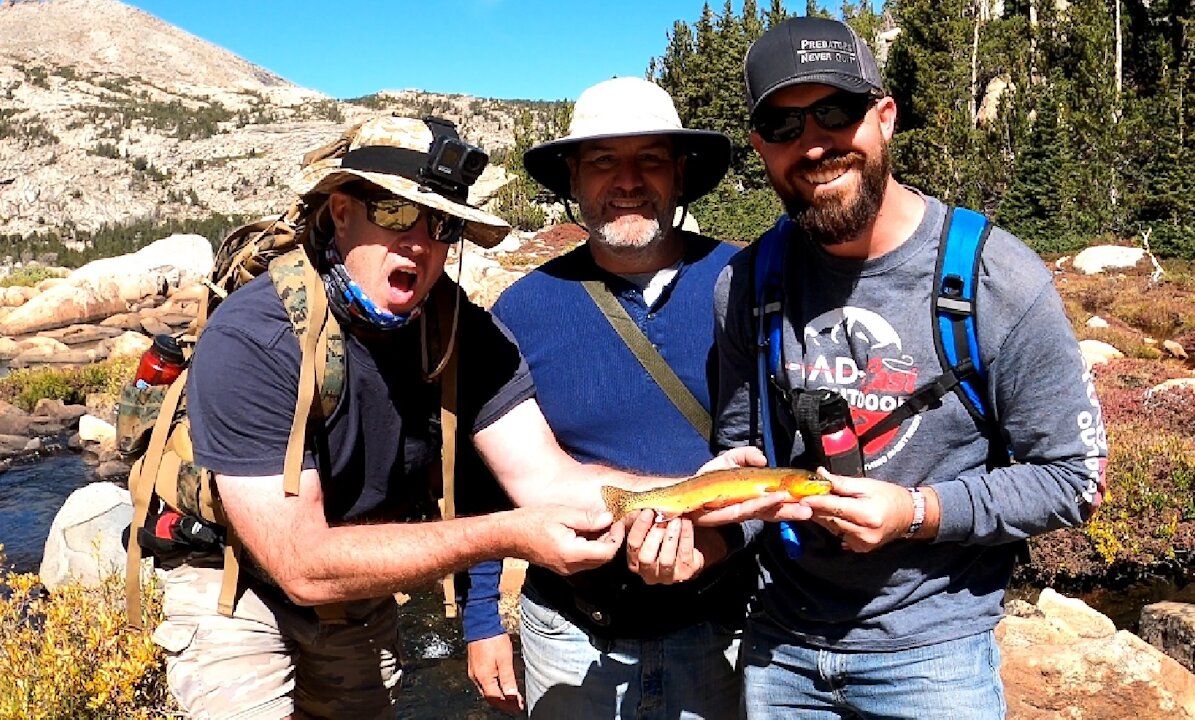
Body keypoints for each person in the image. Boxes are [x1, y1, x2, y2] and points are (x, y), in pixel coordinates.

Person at [152, 115, 661, 719]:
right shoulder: (254, 337)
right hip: (232, 575)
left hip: (360, 567)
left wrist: (716, 490)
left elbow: (547, 480)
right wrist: (506, 535)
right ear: (341, 213)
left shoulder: (461, 333)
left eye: (441, 224)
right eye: (394, 213)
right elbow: (300, 565)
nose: (419, 242)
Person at [705, 17, 1109, 719]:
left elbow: (1074, 481)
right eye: (783, 124)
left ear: (884, 116)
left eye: (836, 110)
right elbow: (742, 453)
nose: (814, 143)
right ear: (759, 148)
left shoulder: (996, 277)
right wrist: (716, 510)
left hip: (936, 660)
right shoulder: (745, 284)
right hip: (780, 652)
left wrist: (916, 513)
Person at [459, 77, 751, 719]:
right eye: (602, 162)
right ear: (571, 176)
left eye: (649, 158)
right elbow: (483, 476)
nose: (627, 180)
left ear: (679, 173)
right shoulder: (523, 309)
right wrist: (481, 620)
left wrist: (729, 540)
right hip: (569, 635)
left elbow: (783, 446)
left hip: (724, 629)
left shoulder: (748, 283)